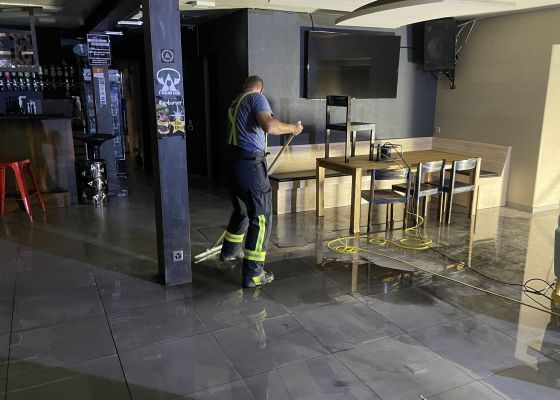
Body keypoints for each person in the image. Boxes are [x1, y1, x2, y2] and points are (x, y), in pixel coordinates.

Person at [220, 75, 304, 288]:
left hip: (233, 163)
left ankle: (230, 252)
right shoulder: (256, 98)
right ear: (261, 89)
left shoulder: (235, 103)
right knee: (262, 217)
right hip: (250, 164)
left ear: (244, 86)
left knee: (242, 210)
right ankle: (254, 274)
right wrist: (293, 128)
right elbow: (270, 126)